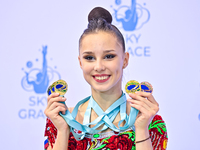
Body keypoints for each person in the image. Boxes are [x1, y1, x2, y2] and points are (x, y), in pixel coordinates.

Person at [44, 7, 168, 150]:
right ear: (80, 63)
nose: (99, 66)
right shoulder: (61, 121)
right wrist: (63, 130)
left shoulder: (150, 121)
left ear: (125, 60)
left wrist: (141, 129)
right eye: (89, 58)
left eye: (109, 56)